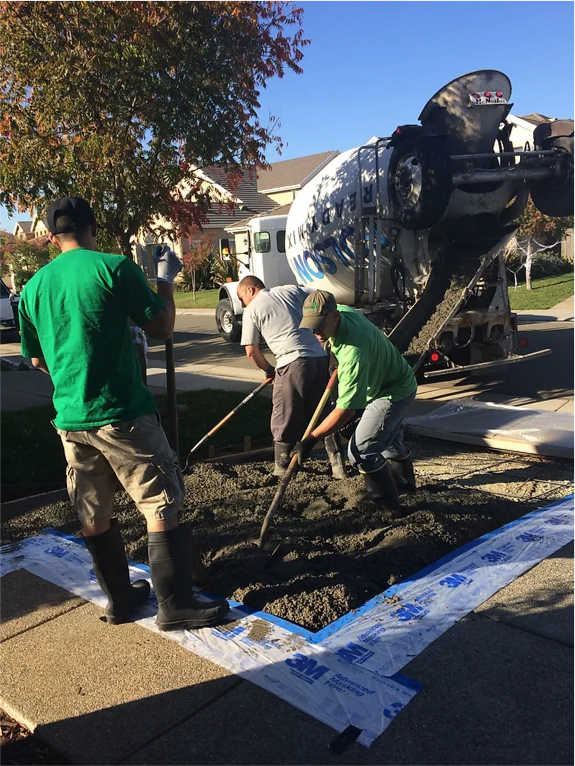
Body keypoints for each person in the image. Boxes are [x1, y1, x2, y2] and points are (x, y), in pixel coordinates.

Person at [17, 197, 229, 630]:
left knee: (93, 513)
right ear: (93, 226)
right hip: (122, 413)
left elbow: (36, 360)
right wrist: (165, 281)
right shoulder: (113, 268)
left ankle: (119, 599)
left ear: (52, 235)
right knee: (158, 502)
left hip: (71, 421)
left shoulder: (34, 288)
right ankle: (175, 605)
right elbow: (163, 326)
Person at [292, 290, 418, 514]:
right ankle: (404, 485)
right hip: (389, 378)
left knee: (361, 451)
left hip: (392, 391)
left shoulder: (353, 353)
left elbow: (347, 410)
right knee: (387, 439)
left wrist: (311, 440)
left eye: (320, 324)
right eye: (311, 325)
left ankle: (389, 508)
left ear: (334, 317)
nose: (315, 331)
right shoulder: (343, 311)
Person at [237, 275, 345, 478]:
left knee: (284, 415)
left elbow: (251, 352)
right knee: (322, 413)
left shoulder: (252, 308)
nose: (243, 303)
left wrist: (269, 371)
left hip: (291, 363)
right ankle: (338, 466)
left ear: (250, 290)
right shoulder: (290, 290)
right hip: (320, 358)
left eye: (241, 298)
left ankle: (282, 468)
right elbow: (322, 296)